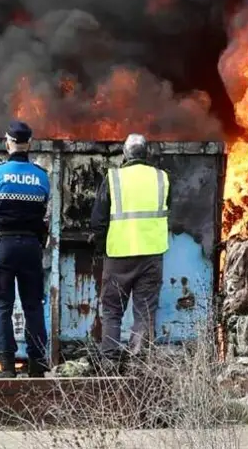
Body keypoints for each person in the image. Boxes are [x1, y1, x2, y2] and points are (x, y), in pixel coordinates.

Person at [90, 134, 172, 369]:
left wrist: (100, 248)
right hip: (151, 255)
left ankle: (110, 362)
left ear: (125, 155)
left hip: (119, 254)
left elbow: (98, 220)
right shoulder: (162, 178)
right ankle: (138, 364)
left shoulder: (114, 178)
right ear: (146, 154)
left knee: (113, 310)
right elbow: (169, 210)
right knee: (144, 311)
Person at [0, 120, 50, 378]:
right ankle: (37, 364)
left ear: (8, 143)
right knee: (33, 306)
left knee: (2, 305)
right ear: (29, 143)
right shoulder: (41, 176)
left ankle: (7, 365)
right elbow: (44, 204)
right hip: (31, 247)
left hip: (2, 246)